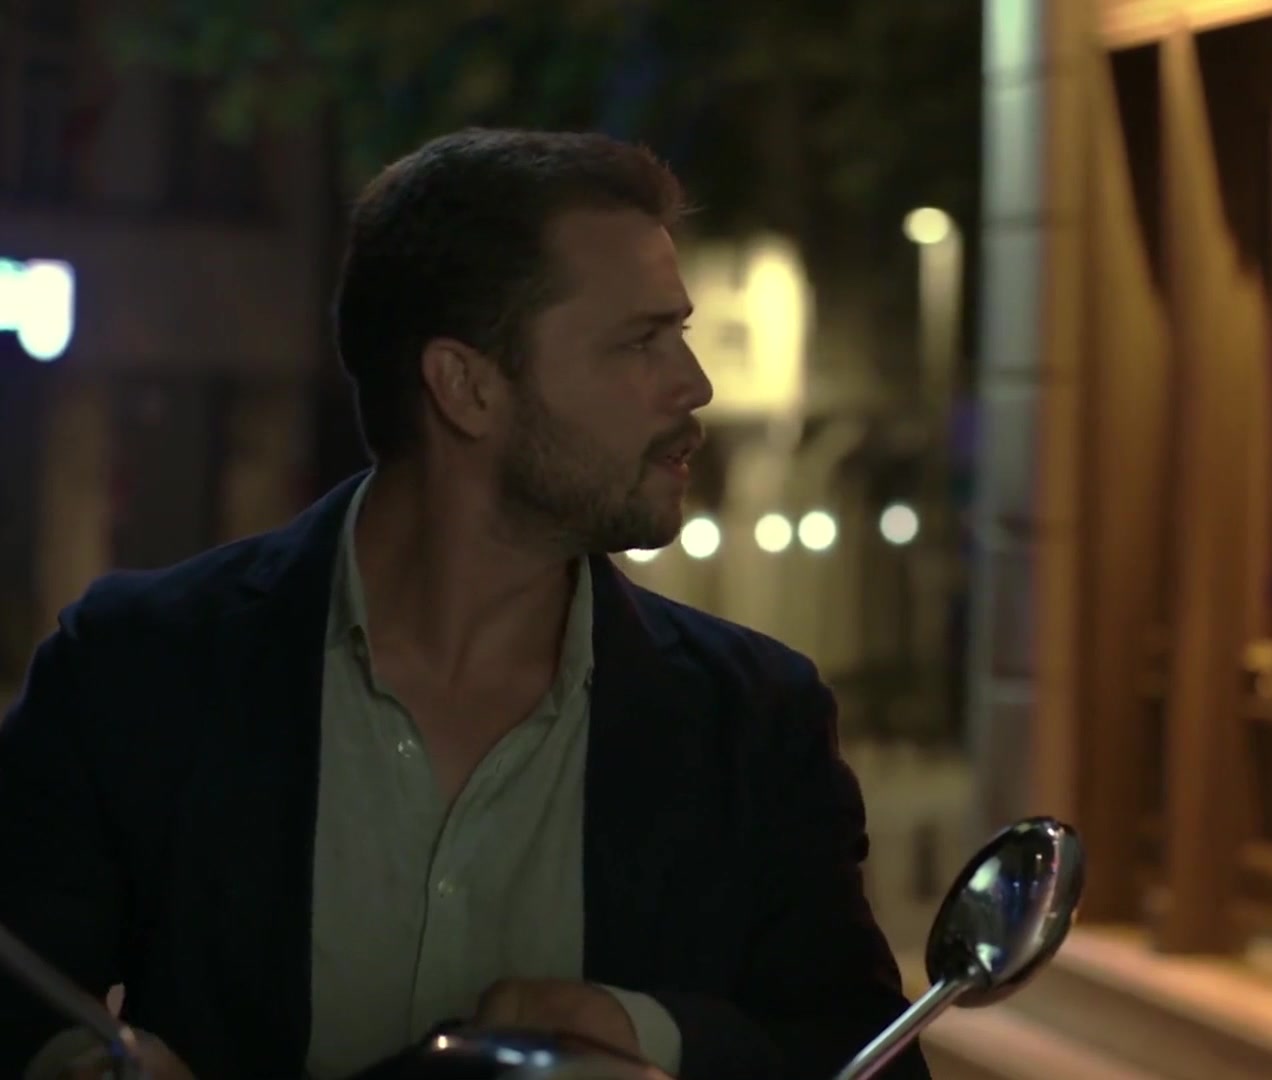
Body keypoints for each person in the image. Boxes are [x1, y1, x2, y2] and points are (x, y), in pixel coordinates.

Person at [0, 129, 932, 1080]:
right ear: (467, 386)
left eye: (680, 335)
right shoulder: (140, 668)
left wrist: (640, 1034)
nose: (694, 385)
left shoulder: (753, 722)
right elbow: (16, 1002)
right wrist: (82, 1067)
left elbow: (864, 1056)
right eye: (640, 342)